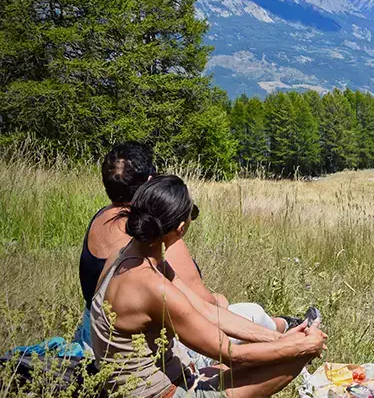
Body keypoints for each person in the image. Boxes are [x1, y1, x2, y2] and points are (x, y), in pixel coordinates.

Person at [90, 175, 327, 398]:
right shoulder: (153, 287)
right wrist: (301, 347)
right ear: (181, 228)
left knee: (261, 358)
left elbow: (204, 309)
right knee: (289, 358)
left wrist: (279, 338)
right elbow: (230, 352)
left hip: (152, 387)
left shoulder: (126, 255)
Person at [76, 142, 291, 350]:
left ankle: (282, 328)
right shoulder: (152, 237)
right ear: (151, 181)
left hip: (93, 335)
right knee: (252, 312)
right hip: (140, 345)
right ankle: (285, 328)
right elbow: (202, 306)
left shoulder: (102, 218)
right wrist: (219, 300)